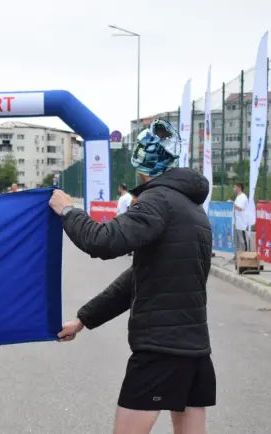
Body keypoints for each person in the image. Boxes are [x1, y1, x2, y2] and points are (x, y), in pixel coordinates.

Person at [49, 119, 214, 434]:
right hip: (194, 351)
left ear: (142, 165)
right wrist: (84, 319)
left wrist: (68, 211)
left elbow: (102, 241)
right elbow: (139, 278)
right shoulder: (194, 210)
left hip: (159, 350)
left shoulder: (157, 201)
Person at [117, 183, 134, 257]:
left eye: (119, 187)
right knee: (121, 234)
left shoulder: (128, 196)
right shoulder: (122, 196)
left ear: (121, 188)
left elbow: (128, 207)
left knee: (127, 234)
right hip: (119, 217)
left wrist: (128, 217)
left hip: (125, 218)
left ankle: (129, 250)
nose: (118, 189)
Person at [233, 181, 249, 253]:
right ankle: (237, 256)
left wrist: (231, 204)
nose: (233, 188)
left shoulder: (243, 197)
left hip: (241, 223)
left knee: (242, 240)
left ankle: (244, 255)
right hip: (236, 222)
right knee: (237, 240)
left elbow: (239, 208)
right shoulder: (238, 197)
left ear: (239, 188)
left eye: (234, 187)